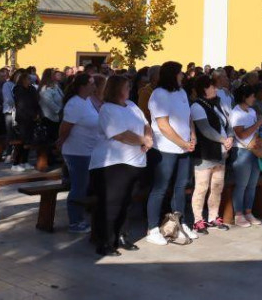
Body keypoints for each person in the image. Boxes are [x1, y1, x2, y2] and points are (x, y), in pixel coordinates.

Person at [89, 75, 151, 256]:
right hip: (113, 164)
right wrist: (143, 141)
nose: (129, 90)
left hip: (135, 162)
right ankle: (105, 241)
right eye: (126, 87)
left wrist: (148, 138)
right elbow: (120, 135)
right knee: (111, 204)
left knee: (127, 203)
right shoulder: (107, 109)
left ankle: (121, 235)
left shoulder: (131, 105)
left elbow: (146, 124)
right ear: (116, 89)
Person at [146, 62, 197, 245]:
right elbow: (163, 125)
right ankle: (152, 229)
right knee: (160, 189)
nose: (182, 75)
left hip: (184, 148)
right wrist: (183, 143)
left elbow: (188, 117)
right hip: (165, 149)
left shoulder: (181, 92)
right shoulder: (159, 94)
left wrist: (192, 136)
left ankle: (179, 224)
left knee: (180, 187)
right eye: (180, 72)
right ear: (172, 74)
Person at [190, 75, 233, 234]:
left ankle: (213, 217)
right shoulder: (197, 106)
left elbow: (228, 122)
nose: (215, 89)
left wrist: (230, 137)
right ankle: (197, 220)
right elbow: (205, 129)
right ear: (203, 89)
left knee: (217, 187)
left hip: (221, 153)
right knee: (201, 188)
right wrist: (223, 140)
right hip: (205, 153)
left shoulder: (217, 103)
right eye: (212, 86)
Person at [57, 73, 100, 233]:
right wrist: (61, 142)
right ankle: (75, 222)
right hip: (77, 152)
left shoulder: (87, 100)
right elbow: (65, 128)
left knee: (84, 185)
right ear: (83, 86)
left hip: (88, 151)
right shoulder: (75, 104)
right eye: (91, 83)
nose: (94, 86)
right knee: (79, 186)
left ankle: (81, 217)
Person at [229, 84, 262, 226]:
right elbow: (241, 134)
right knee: (242, 185)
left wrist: (259, 141)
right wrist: (258, 123)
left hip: (254, 150)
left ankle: (248, 212)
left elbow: (254, 132)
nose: (254, 98)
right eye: (252, 96)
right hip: (241, 151)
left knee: (252, 184)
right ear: (244, 97)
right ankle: (238, 215)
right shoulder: (236, 113)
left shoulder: (251, 111)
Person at [12, 72, 41, 172]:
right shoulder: (18, 90)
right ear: (23, 79)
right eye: (28, 78)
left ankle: (25, 161)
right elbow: (21, 105)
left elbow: (36, 102)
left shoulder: (32, 89)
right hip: (23, 119)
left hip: (32, 119)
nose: (30, 80)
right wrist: (32, 114)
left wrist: (37, 113)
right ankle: (15, 163)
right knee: (21, 141)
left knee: (29, 141)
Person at [38, 69, 64, 144]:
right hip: (49, 117)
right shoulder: (45, 89)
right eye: (53, 74)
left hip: (58, 117)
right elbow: (49, 102)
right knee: (51, 139)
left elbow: (62, 96)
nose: (55, 76)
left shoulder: (56, 86)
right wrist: (59, 110)